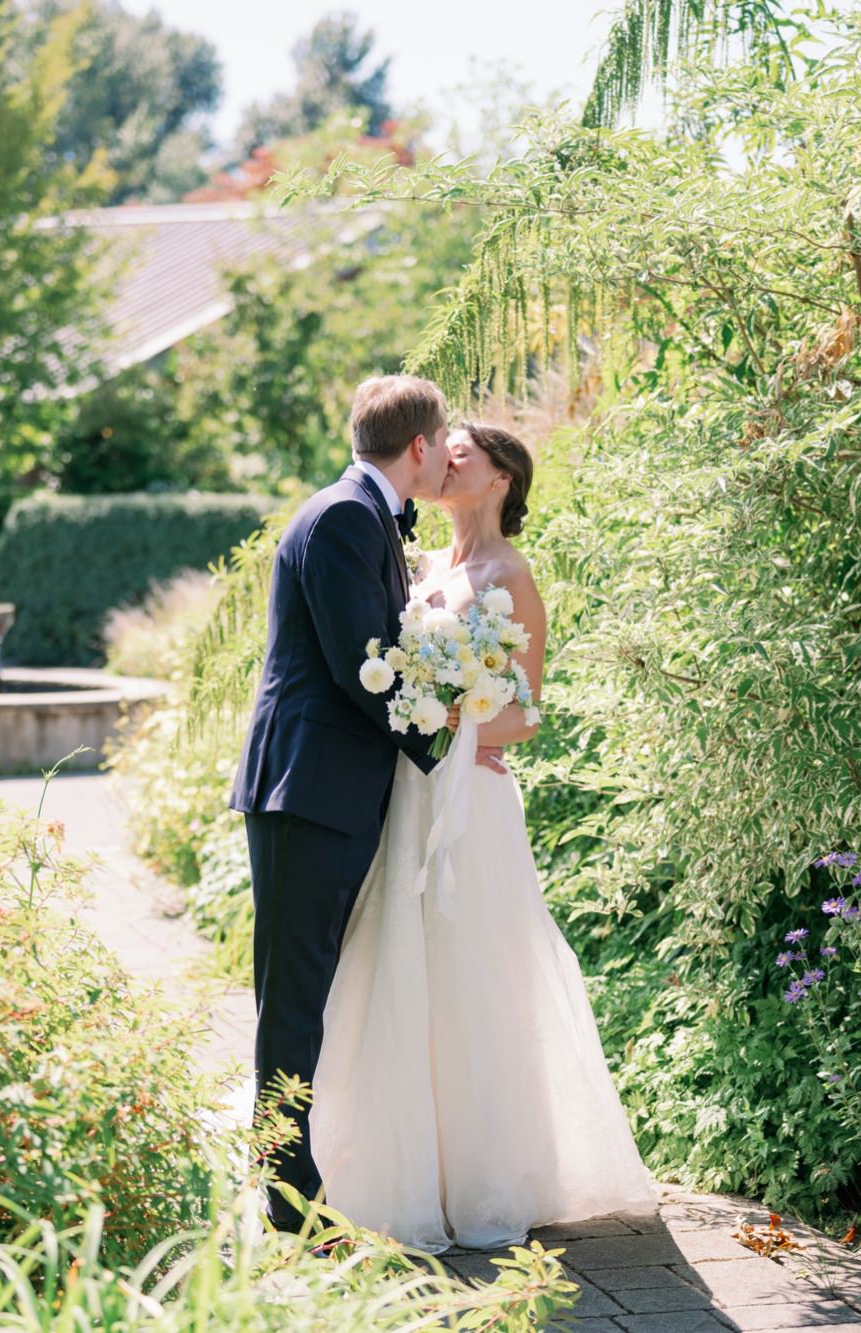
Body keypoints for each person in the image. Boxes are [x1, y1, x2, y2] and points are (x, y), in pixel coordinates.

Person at [309, 420, 657, 1252]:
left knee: (474, 971)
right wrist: (418, 719)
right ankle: (395, 1162)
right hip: (407, 793)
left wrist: (453, 724)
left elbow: (525, 713)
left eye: (464, 451)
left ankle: (483, 1171)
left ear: (502, 477)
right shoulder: (419, 564)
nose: (445, 457)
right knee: (396, 961)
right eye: (444, 447)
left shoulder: (511, 576)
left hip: (472, 801)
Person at [230, 375, 506, 1231]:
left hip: (330, 788)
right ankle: (284, 1190)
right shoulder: (346, 516)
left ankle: (294, 1169)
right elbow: (364, 667)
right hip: (306, 786)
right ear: (418, 447)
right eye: (441, 444)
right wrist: (446, 743)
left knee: (308, 983)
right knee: (295, 987)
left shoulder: (362, 514)